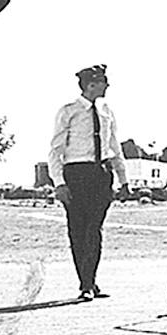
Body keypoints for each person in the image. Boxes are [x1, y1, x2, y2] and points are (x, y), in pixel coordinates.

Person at [48, 64, 129, 301]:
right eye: (103, 82)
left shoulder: (107, 112)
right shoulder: (69, 111)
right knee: (78, 230)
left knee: (94, 228)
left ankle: (88, 283)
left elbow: (115, 147)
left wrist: (124, 181)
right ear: (91, 84)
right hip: (76, 174)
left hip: (101, 174)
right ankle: (86, 282)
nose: (107, 86)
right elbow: (55, 150)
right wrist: (59, 183)